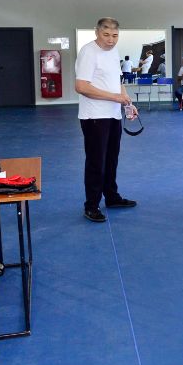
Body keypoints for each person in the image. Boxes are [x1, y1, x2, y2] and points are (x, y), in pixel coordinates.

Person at [75, 17, 139, 223]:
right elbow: (81, 86)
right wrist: (115, 98)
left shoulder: (113, 52)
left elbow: (117, 81)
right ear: (97, 32)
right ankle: (91, 205)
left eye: (115, 36)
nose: (111, 40)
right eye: (106, 35)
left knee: (112, 159)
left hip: (113, 114)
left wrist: (127, 102)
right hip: (94, 116)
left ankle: (111, 197)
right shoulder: (88, 52)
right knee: (96, 161)